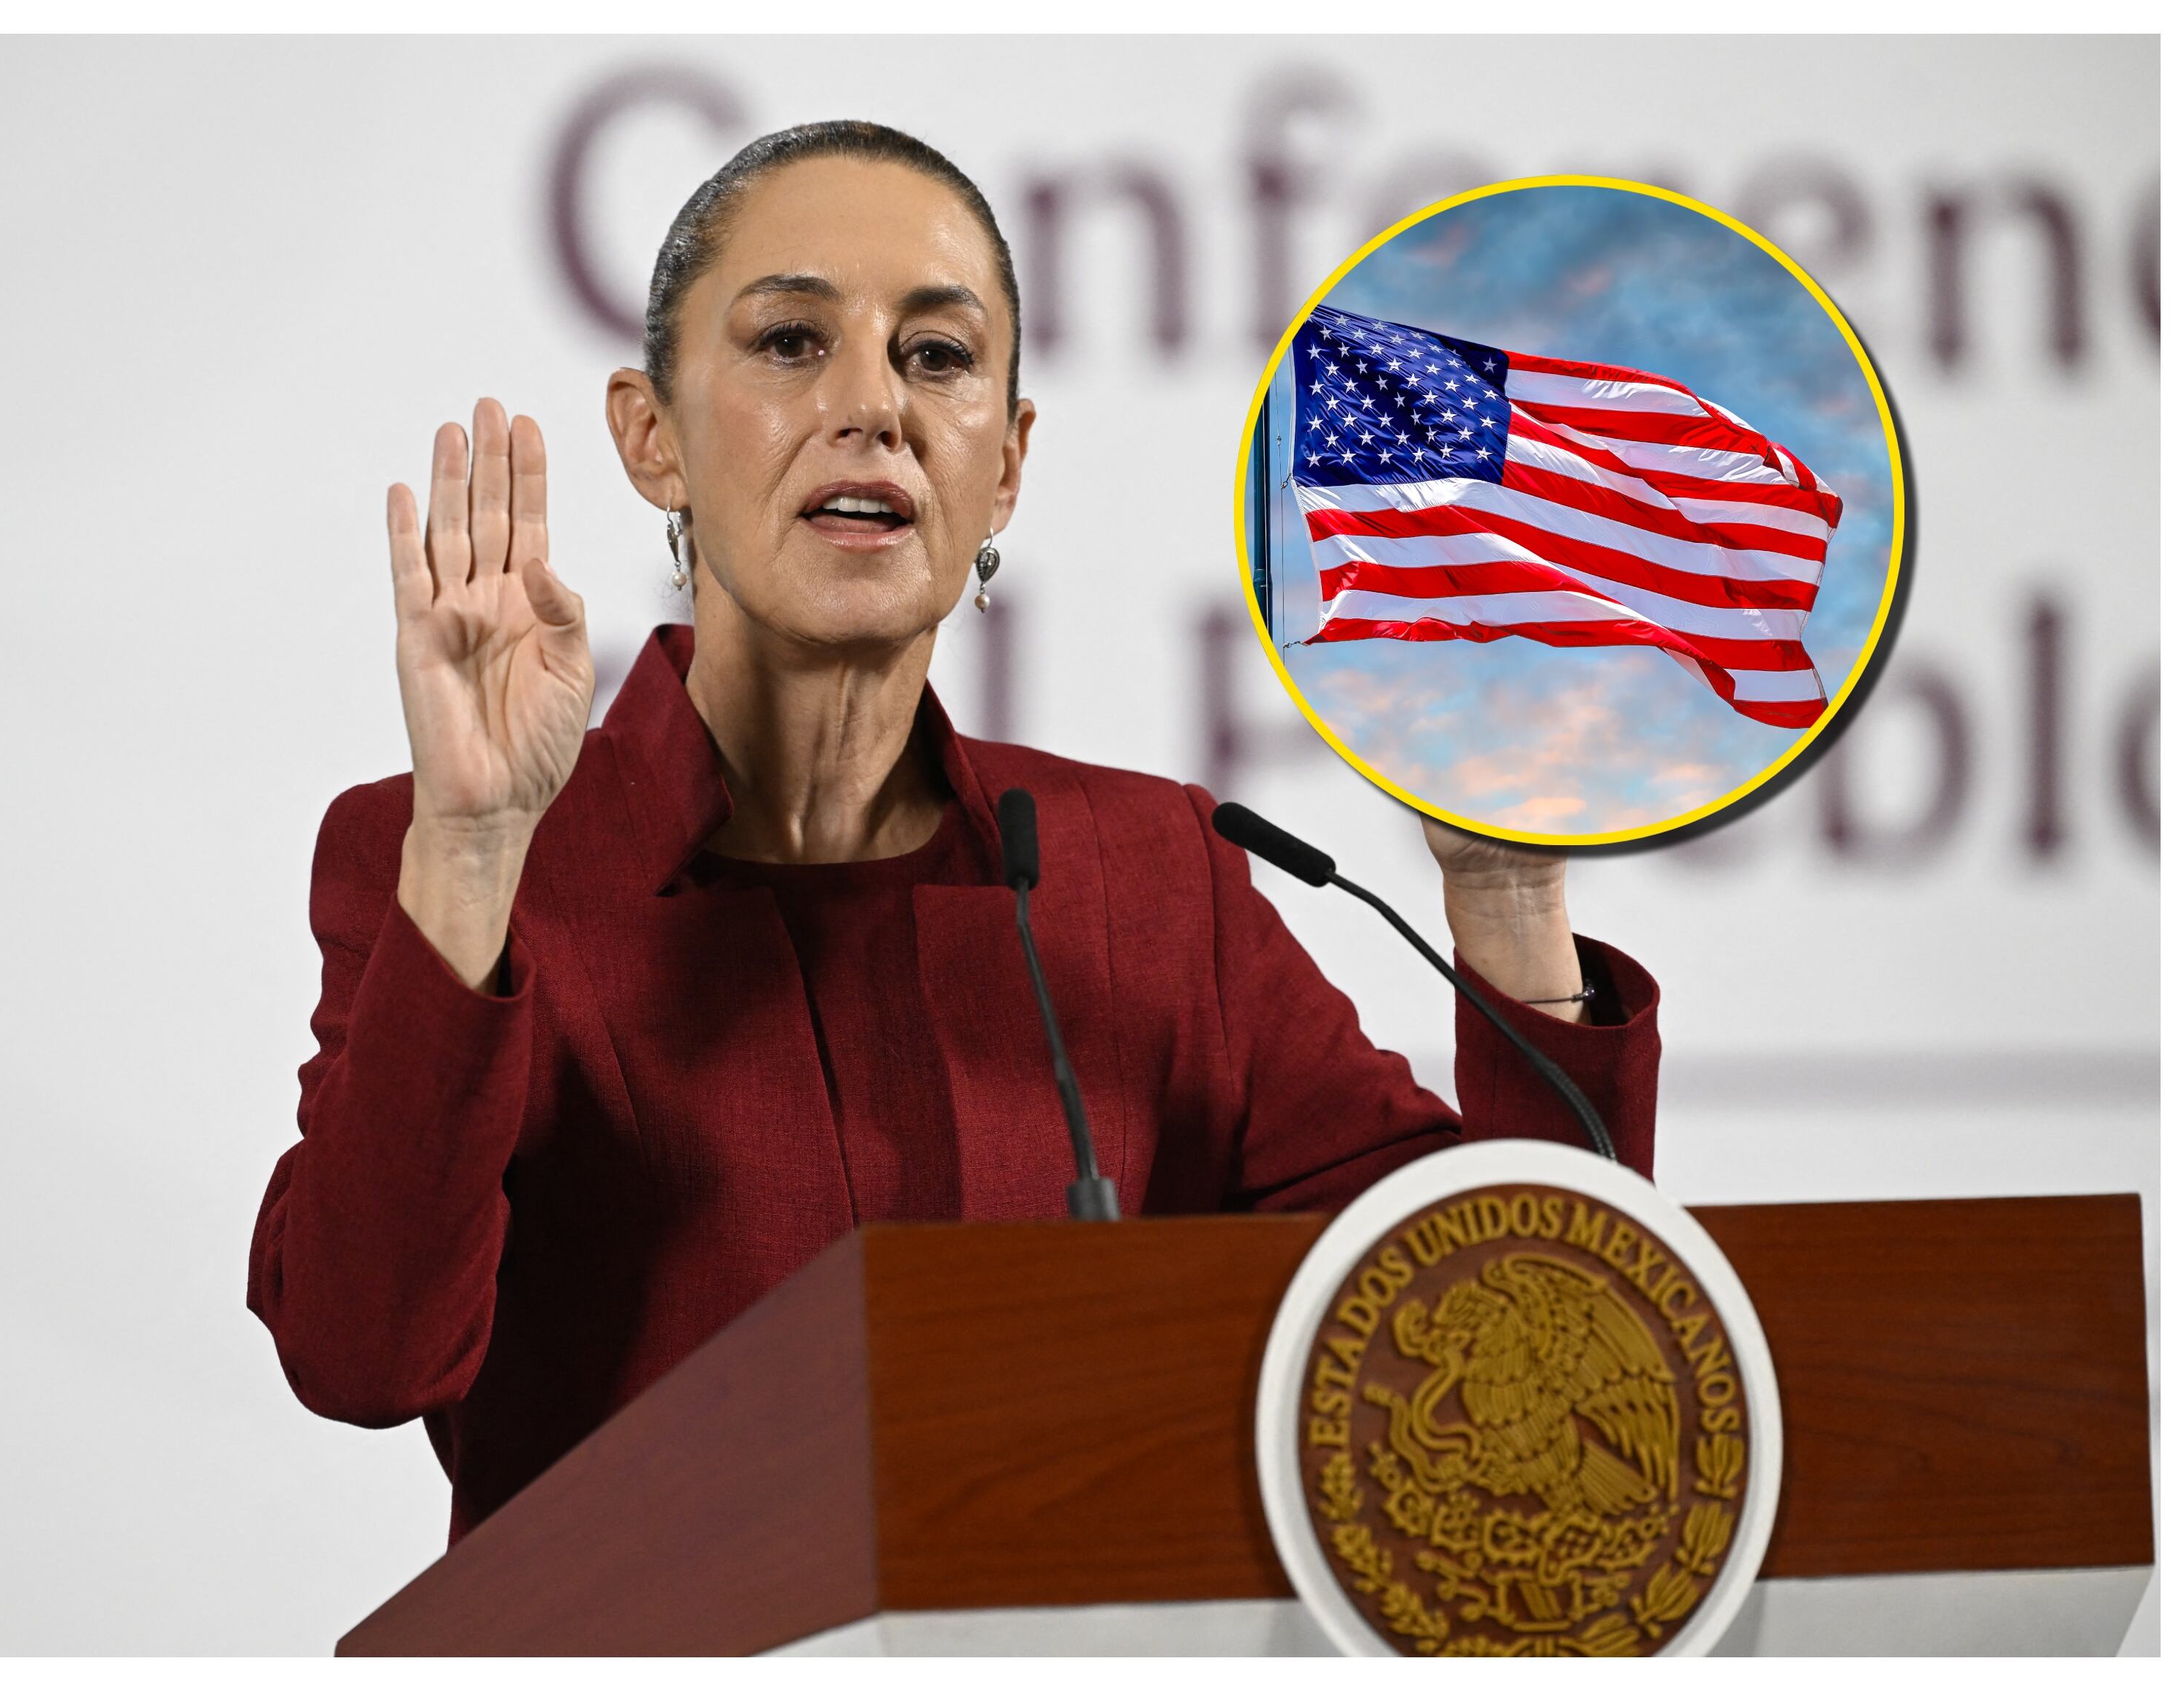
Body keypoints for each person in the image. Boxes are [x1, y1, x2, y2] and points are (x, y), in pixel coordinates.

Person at [247, 121, 1660, 1545]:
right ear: (651, 436)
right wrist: (480, 850)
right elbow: (364, 1356)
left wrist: (1508, 896)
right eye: (793, 341)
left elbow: (1528, 1338)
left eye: (938, 356)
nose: (874, 407)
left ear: (1006, 466)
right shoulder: (449, 864)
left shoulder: (1148, 871)